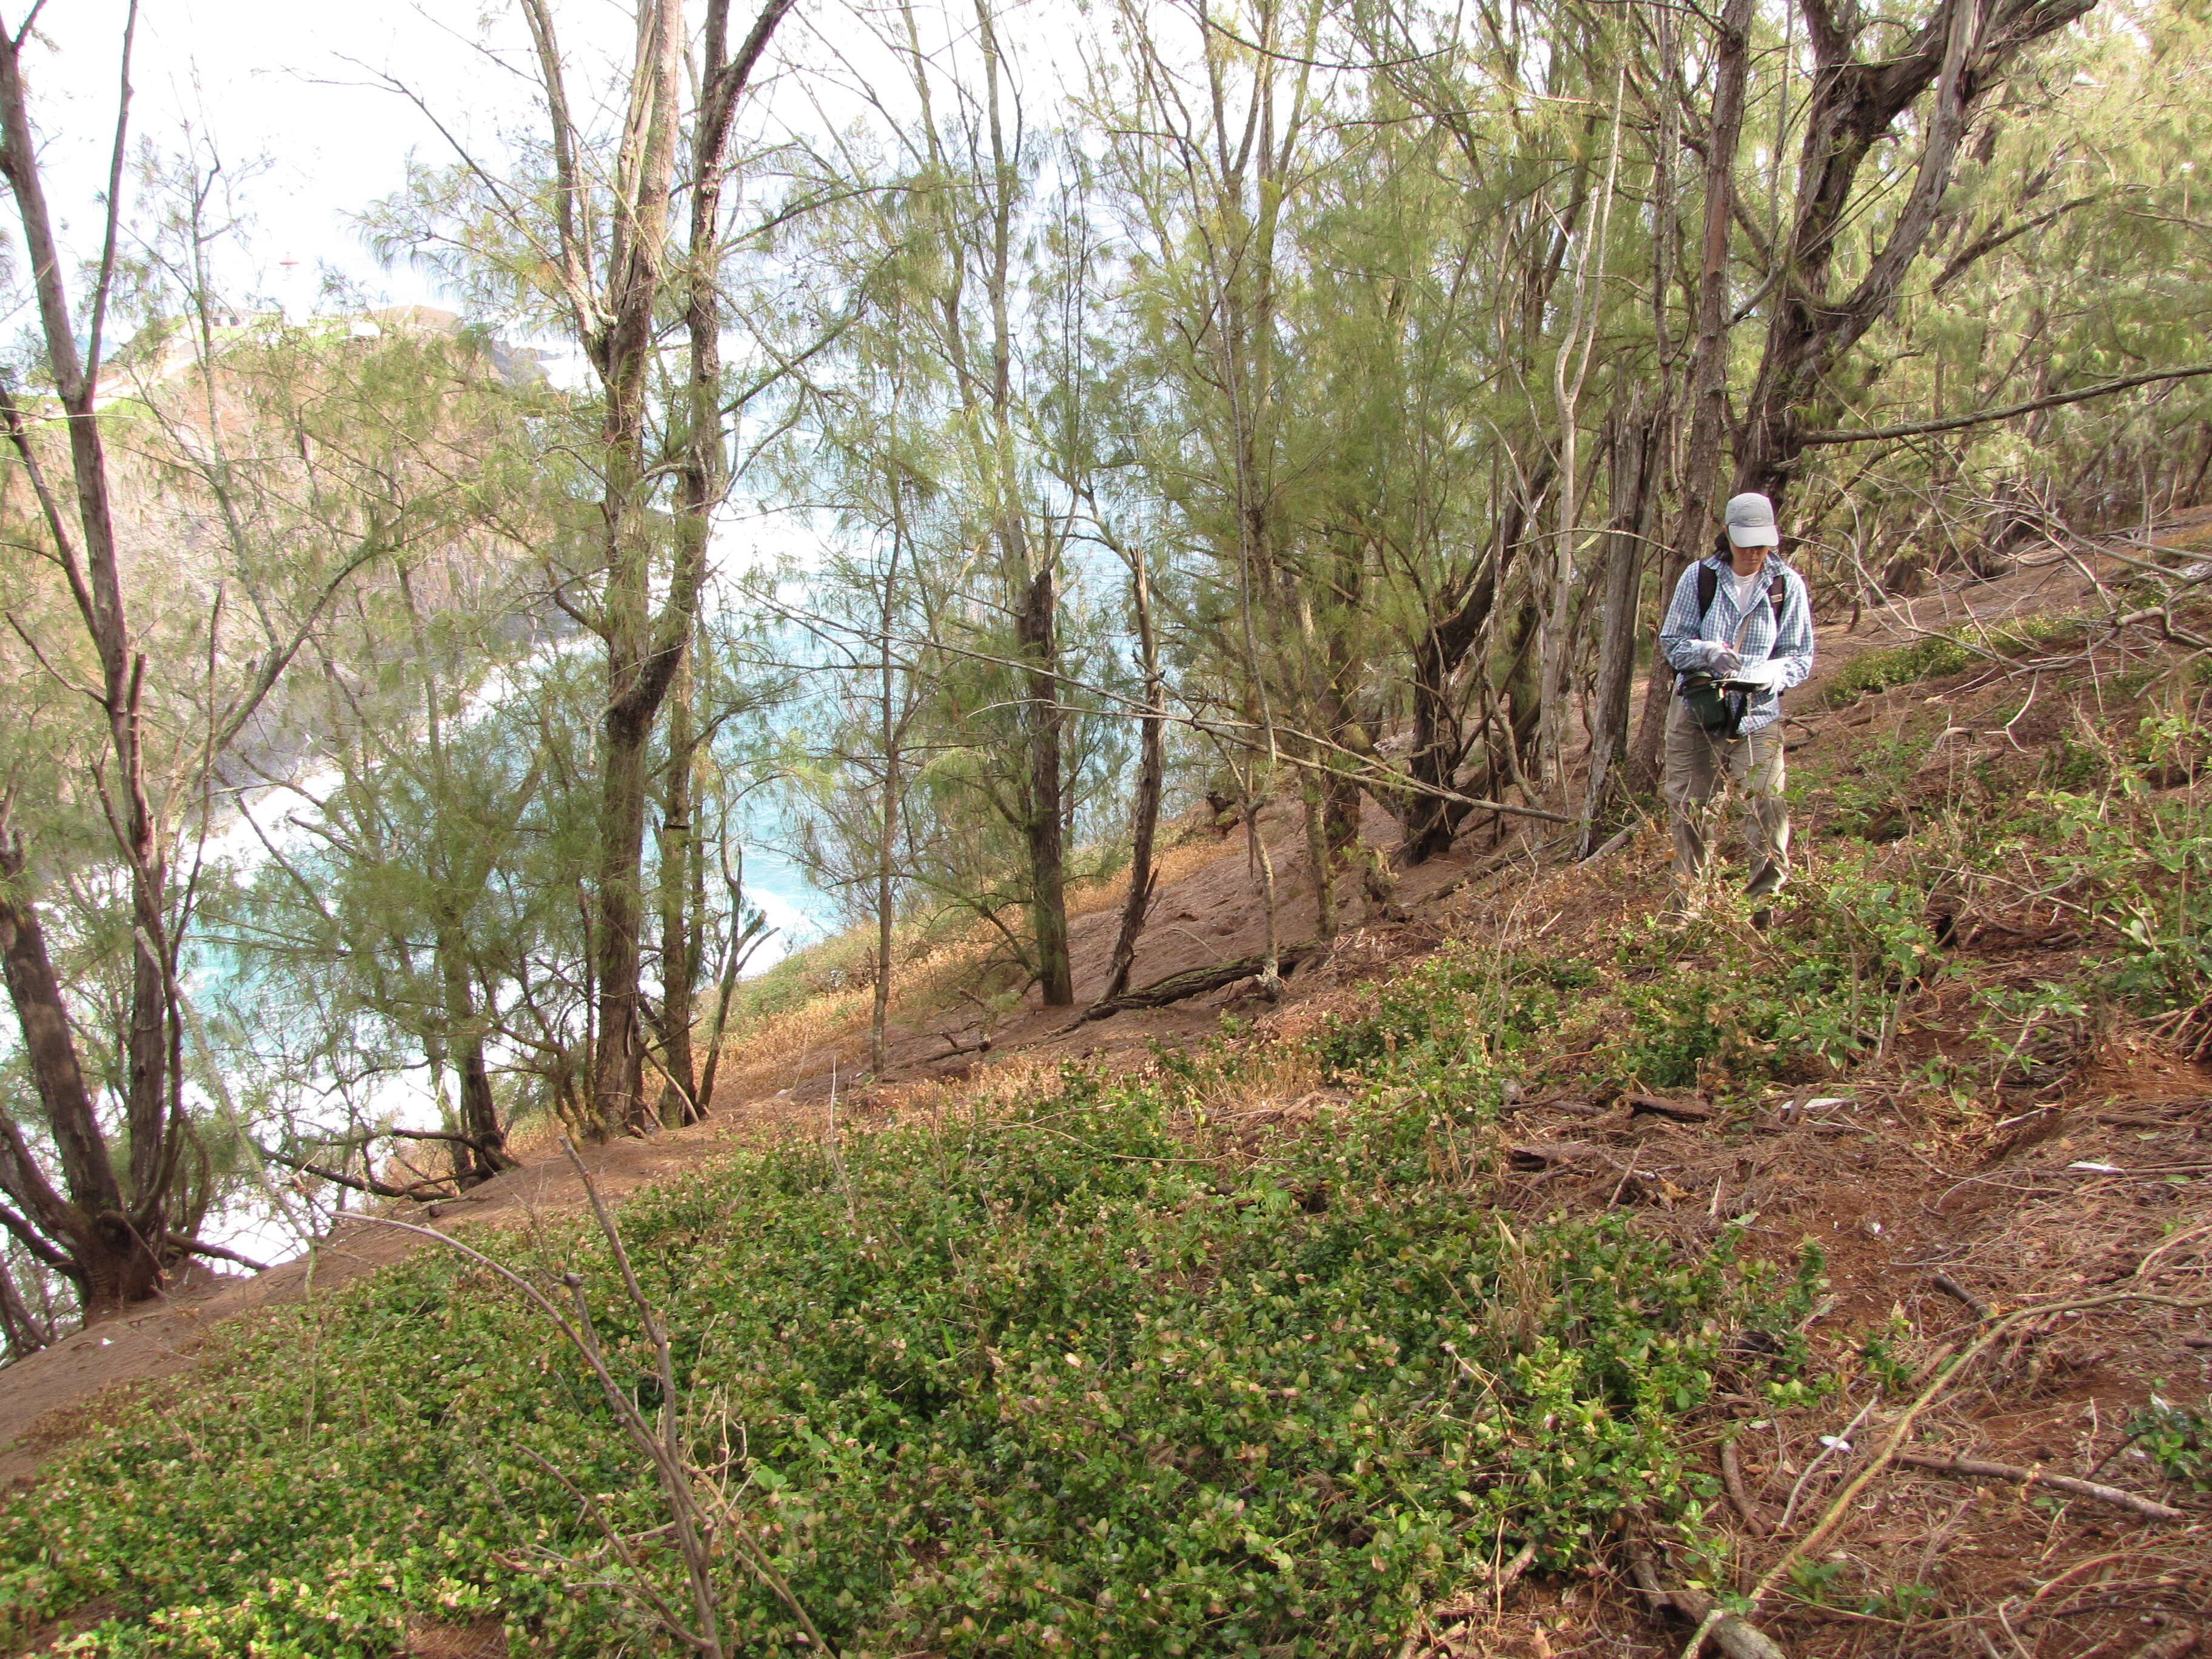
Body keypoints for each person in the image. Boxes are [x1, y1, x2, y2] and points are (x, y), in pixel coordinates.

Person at [1658, 490, 1815, 915]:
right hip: (1698, 708)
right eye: (1745, 544)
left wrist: (1772, 673)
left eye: (1762, 544)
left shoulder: (1787, 585)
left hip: (1758, 712)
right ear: (1727, 535)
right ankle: (1687, 910)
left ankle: (1765, 905)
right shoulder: (1699, 577)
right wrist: (1706, 652)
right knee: (1692, 807)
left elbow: (1801, 656)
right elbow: (1672, 643)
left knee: (1767, 801)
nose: (1754, 553)